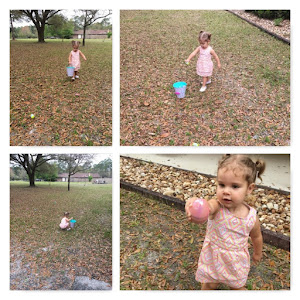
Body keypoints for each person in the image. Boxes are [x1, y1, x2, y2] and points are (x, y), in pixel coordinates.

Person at [185, 154, 265, 290]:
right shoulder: (217, 207)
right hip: (213, 258)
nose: (226, 191)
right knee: (209, 284)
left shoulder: (251, 217)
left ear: (249, 188)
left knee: (237, 287)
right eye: (222, 185)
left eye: (235, 186)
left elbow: (256, 236)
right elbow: (207, 207)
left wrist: (258, 252)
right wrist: (193, 203)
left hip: (236, 263)